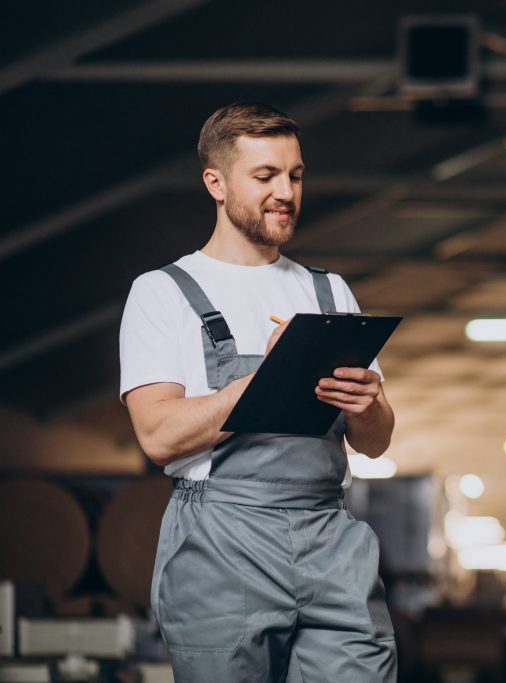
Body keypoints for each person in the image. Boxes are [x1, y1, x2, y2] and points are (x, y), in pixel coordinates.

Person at [119, 102, 396, 682]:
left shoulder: (328, 291)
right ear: (215, 183)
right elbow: (159, 436)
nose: (286, 192)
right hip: (223, 543)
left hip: (329, 534)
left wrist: (370, 405)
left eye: (294, 175)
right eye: (265, 176)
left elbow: (373, 444)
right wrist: (267, 380)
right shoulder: (163, 292)